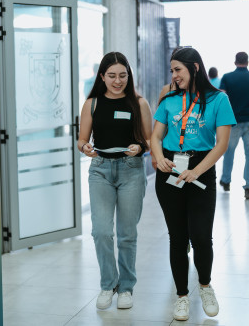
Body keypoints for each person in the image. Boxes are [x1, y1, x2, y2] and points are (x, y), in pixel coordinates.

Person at [151, 47, 236, 321]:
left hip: (201, 170)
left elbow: (221, 144)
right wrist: (159, 157)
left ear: (195, 68)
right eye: (172, 70)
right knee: (177, 238)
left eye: (178, 70)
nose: (174, 76)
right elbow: (156, 136)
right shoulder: (169, 98)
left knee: (200, 236)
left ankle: (205, 286)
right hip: (170, 171)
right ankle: (182, 296)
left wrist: (197, 171)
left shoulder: (219, 100)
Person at [78, 51, 152, 309]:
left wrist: (140, 147)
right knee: (101, 231)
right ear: (102, 76)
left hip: (131, 170)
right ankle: (108, 284)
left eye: (123, 75)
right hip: (100, 171)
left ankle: (126, 288)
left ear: (129, 76)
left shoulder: (139, 103)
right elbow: (81, 140)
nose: (117, 80)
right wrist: (85, 147)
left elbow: (150, 140)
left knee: (126, 234)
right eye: (112, 76)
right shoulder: (92, 104)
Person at [219, 52, 249, 199]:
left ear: (235, 62)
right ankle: (248, 186)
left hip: (232, 123)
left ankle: (226, 181)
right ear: (247, 61)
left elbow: (222, 99)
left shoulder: (227, 78)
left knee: (228, 152)